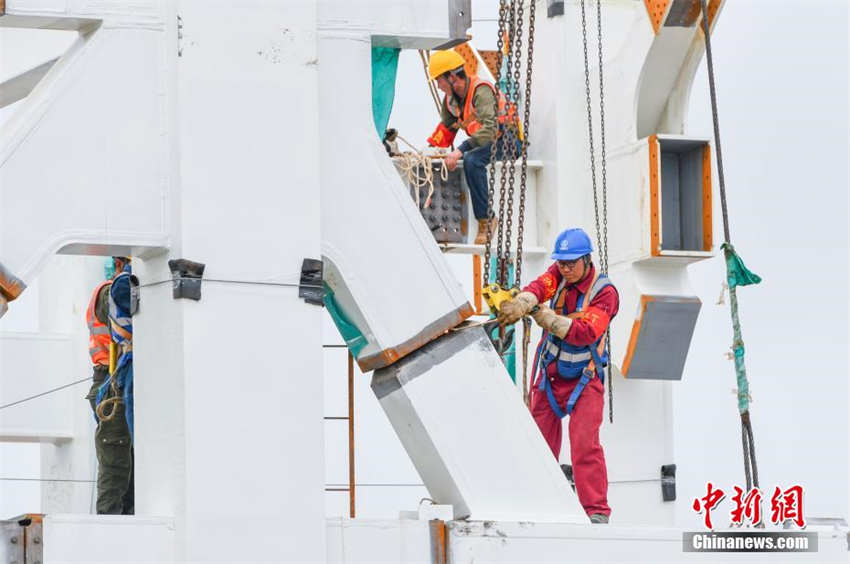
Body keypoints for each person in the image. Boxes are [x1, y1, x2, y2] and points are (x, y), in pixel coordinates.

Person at [498, 228, 619, 524]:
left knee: (584, 445)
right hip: (550, 377)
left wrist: (545, 317)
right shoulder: (560, 274)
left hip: (583, 380)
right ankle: (535, 503)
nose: (565, 268)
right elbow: (542, 285)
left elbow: (586, 331)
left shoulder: (605, 293)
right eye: (562, 263)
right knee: (538, 445)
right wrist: (524, 302)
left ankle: (596, 512)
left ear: (586, 260)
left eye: (571, 263)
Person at [426, 50, 522, 244]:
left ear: (452, 77)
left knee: (471, 160)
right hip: (485, 143)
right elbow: (447, 127)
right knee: (454, 159)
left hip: (508, 141)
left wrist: (460, 149)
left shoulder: (481, 90)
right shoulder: (451, 100)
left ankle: (486, 219)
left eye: (439, 81)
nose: (438, 86)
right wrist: (429, 151)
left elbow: (491, 128)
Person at [90, 256, 135, 515]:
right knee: (116, 457)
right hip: (110, 382)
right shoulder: (108, 291)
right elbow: (123, 317)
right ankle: (110, 521)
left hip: (117, 378)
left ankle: (128, 516)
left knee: (128, 458)